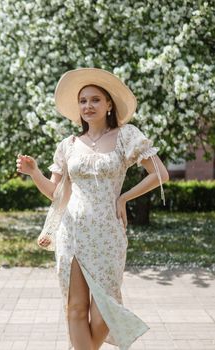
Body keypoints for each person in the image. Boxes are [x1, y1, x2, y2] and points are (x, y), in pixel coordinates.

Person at [16, 67, 169, 350]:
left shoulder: (126, 135)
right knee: (75, 308)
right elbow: (57, 194)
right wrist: (34, 172)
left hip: (107, 233)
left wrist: (123, 198)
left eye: (95, 99)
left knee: (104, 313)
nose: (88, 105)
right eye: (83, 100)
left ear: (109, 104)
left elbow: (159, 174)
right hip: (71, 234)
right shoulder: (68, 145)